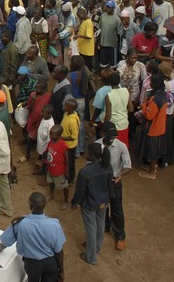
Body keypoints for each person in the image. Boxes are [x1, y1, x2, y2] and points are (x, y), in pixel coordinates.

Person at [0, 192, 66, 282]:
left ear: (30, 205)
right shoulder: (54, 225)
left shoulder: (19, 223)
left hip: (32, 264)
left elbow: (5, 243)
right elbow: (59, 251)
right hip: (50, 263)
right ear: (44, 206)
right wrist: (62, 271)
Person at [71, 142, 114, 265]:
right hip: (103, 202)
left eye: (87, 152)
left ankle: (90, 257)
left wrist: (74, 202)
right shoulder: (108, 167)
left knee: (91, 228)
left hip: (89, 204)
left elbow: (80, 191)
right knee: (100, 224)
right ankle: (97, 247)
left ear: (92, 155)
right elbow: (111, 186)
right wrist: (108, 199)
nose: (85, 154)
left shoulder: (85, 172)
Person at [95, 122, 131, 250]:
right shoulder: (96, 145)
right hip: (100, 182)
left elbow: (127, 166)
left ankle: (120, 235)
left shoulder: (121, 146)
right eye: (109, 136)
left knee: (117, 208)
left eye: (113, 136)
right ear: (102, 134)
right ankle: (105, 225)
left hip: (115, 181)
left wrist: (121, 173)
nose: (111, 139)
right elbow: (91, 164)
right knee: (102, 206)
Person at [137, 74, 168, 180]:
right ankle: (152, 167)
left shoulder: (156, 99)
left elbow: (149, 115)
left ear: (154, 84)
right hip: (159, 126)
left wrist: (144, 105)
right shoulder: (162, 94)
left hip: (153, 129)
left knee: (152, 152)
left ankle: (151, 172)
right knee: (155, 150)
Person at [44, 125, 70, 210]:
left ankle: (66, 200)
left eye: (52, 134)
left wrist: (66, 171)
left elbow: (67, 159)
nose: (50, 136)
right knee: (51, 182)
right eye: (50, 134)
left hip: (60, 171)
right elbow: (48, 152)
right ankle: (52, 195)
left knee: (64, 186)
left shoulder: (63, 145)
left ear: (59, 136)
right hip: (51, 168)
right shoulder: (50, 142)